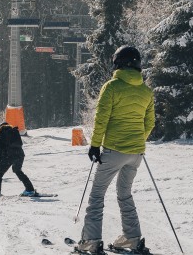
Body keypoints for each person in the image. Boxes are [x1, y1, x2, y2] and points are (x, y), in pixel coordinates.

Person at [76, 46, 155, 255]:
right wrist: (137, 141)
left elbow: (102, 118)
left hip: (114, 150)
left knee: (97, 196)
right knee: (124, 194)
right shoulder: (146, 91)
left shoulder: (112, 87)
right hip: (136, 153)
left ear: (118, 63)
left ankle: (91, 241)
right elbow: (150, 123)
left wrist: (95, 144)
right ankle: (132, 237)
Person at [0, 122, 35, 197]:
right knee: (17, 170)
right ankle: (30, 190)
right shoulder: (14, 133)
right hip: (20, 154)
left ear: (0, 129)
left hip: (9, 156)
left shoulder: (0, 136)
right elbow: (19, 144)